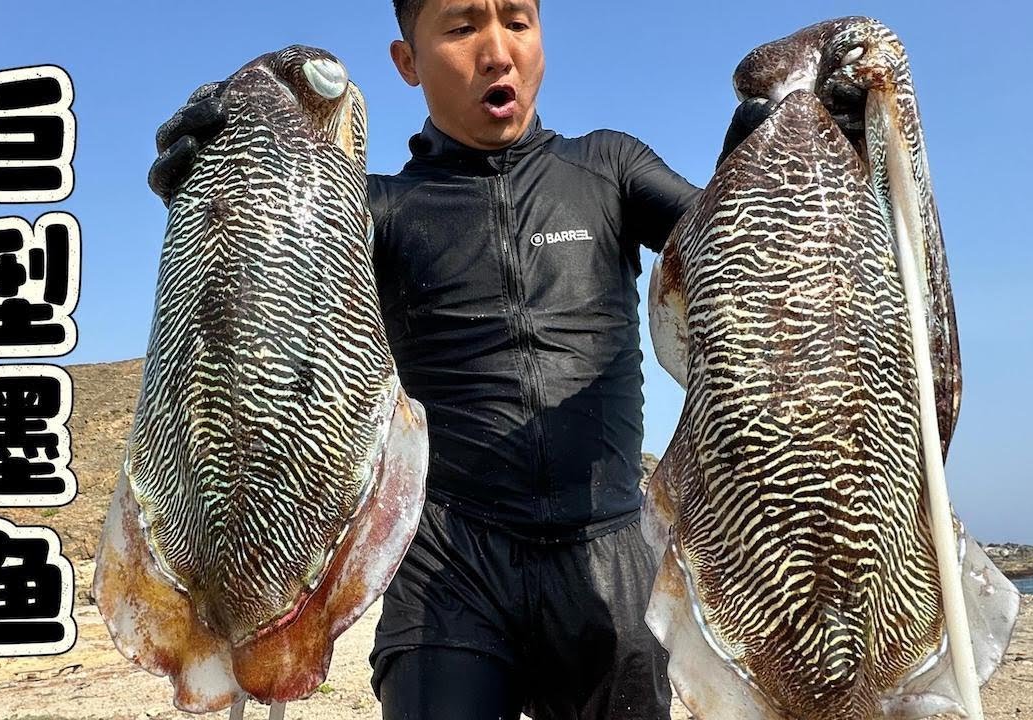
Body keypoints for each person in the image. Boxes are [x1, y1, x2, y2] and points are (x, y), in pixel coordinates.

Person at [147, 1, 736, 717]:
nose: (497, 52)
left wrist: (774, 157)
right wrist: (221, 184)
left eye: (517, 22)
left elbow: (736, 241)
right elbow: (262, 287)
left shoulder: (609, 167)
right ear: (408, 62)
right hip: (449, 564)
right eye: (461, 29)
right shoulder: (378, 207)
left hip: (609, 546)